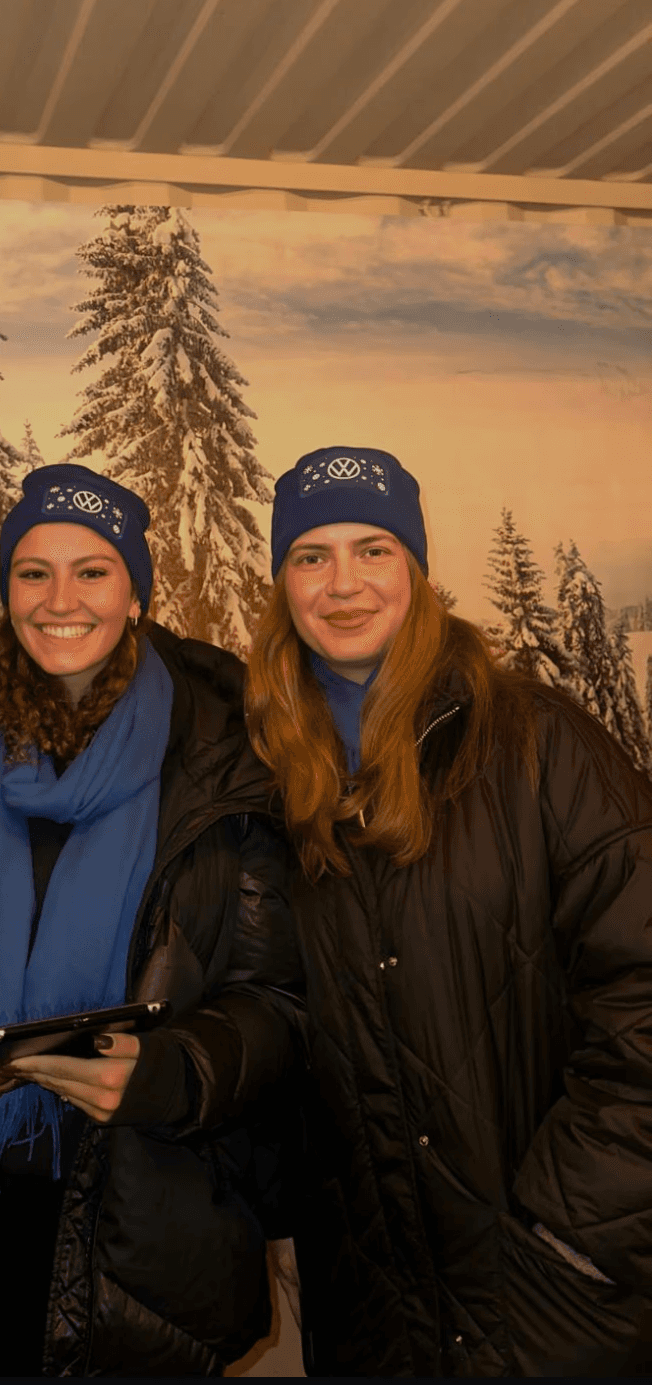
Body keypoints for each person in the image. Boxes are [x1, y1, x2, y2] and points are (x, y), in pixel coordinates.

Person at [0, 464, 302, 1377]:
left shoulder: (225, 749)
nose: (59, 599)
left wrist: (170, 1073)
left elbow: (277, 998)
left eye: (92, 570)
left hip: (147, 1209)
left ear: (136, 591)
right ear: (6, 590)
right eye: (33, 572)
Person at [243, 444, 652, 1377]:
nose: (342, 582)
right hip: (376, 1314)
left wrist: (569, 1229)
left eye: (372, 548)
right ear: (283, 584)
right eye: (310, 555)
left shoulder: (539, 742)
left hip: (555, 1307)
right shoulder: (271, 781)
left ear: (417, 570)